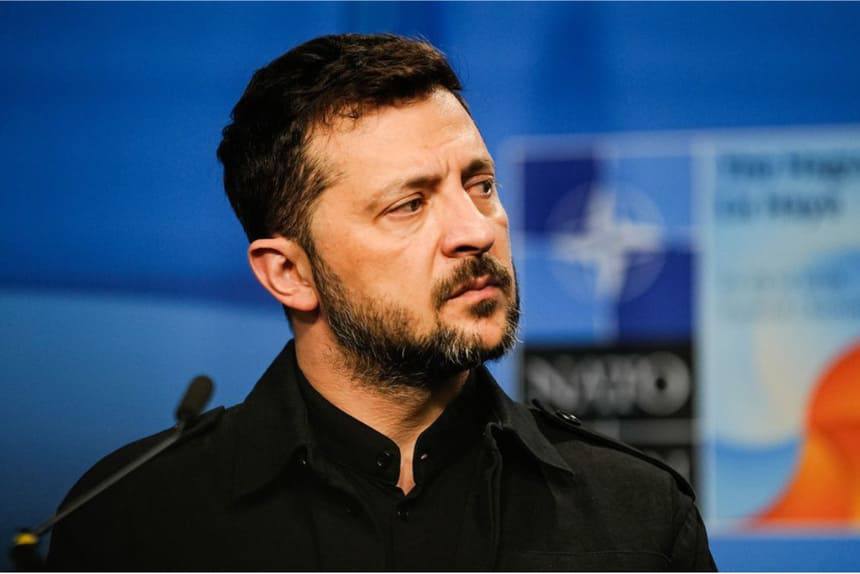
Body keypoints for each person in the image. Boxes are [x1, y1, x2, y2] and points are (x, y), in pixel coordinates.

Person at [47, 33, 716, 571]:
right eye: (409, 205)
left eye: (480, 185)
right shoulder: (134, 523)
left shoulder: (636, 515)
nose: (476, 230)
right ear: (289, 273)